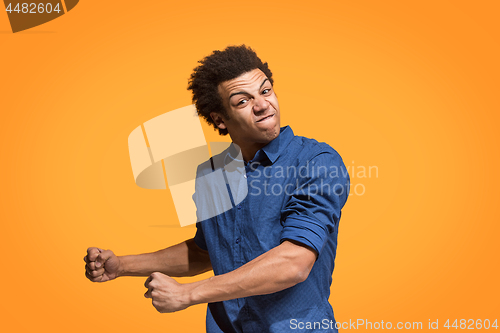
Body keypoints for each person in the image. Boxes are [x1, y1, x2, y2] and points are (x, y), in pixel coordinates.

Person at [84, 45, 350, 332]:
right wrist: (122, 265)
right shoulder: (211, 175)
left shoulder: (316, 161)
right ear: (220, 119)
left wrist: (188, 293)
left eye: (265, 91)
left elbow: (294, 262)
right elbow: (208, 252)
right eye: (242, 101)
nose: (263, 105)